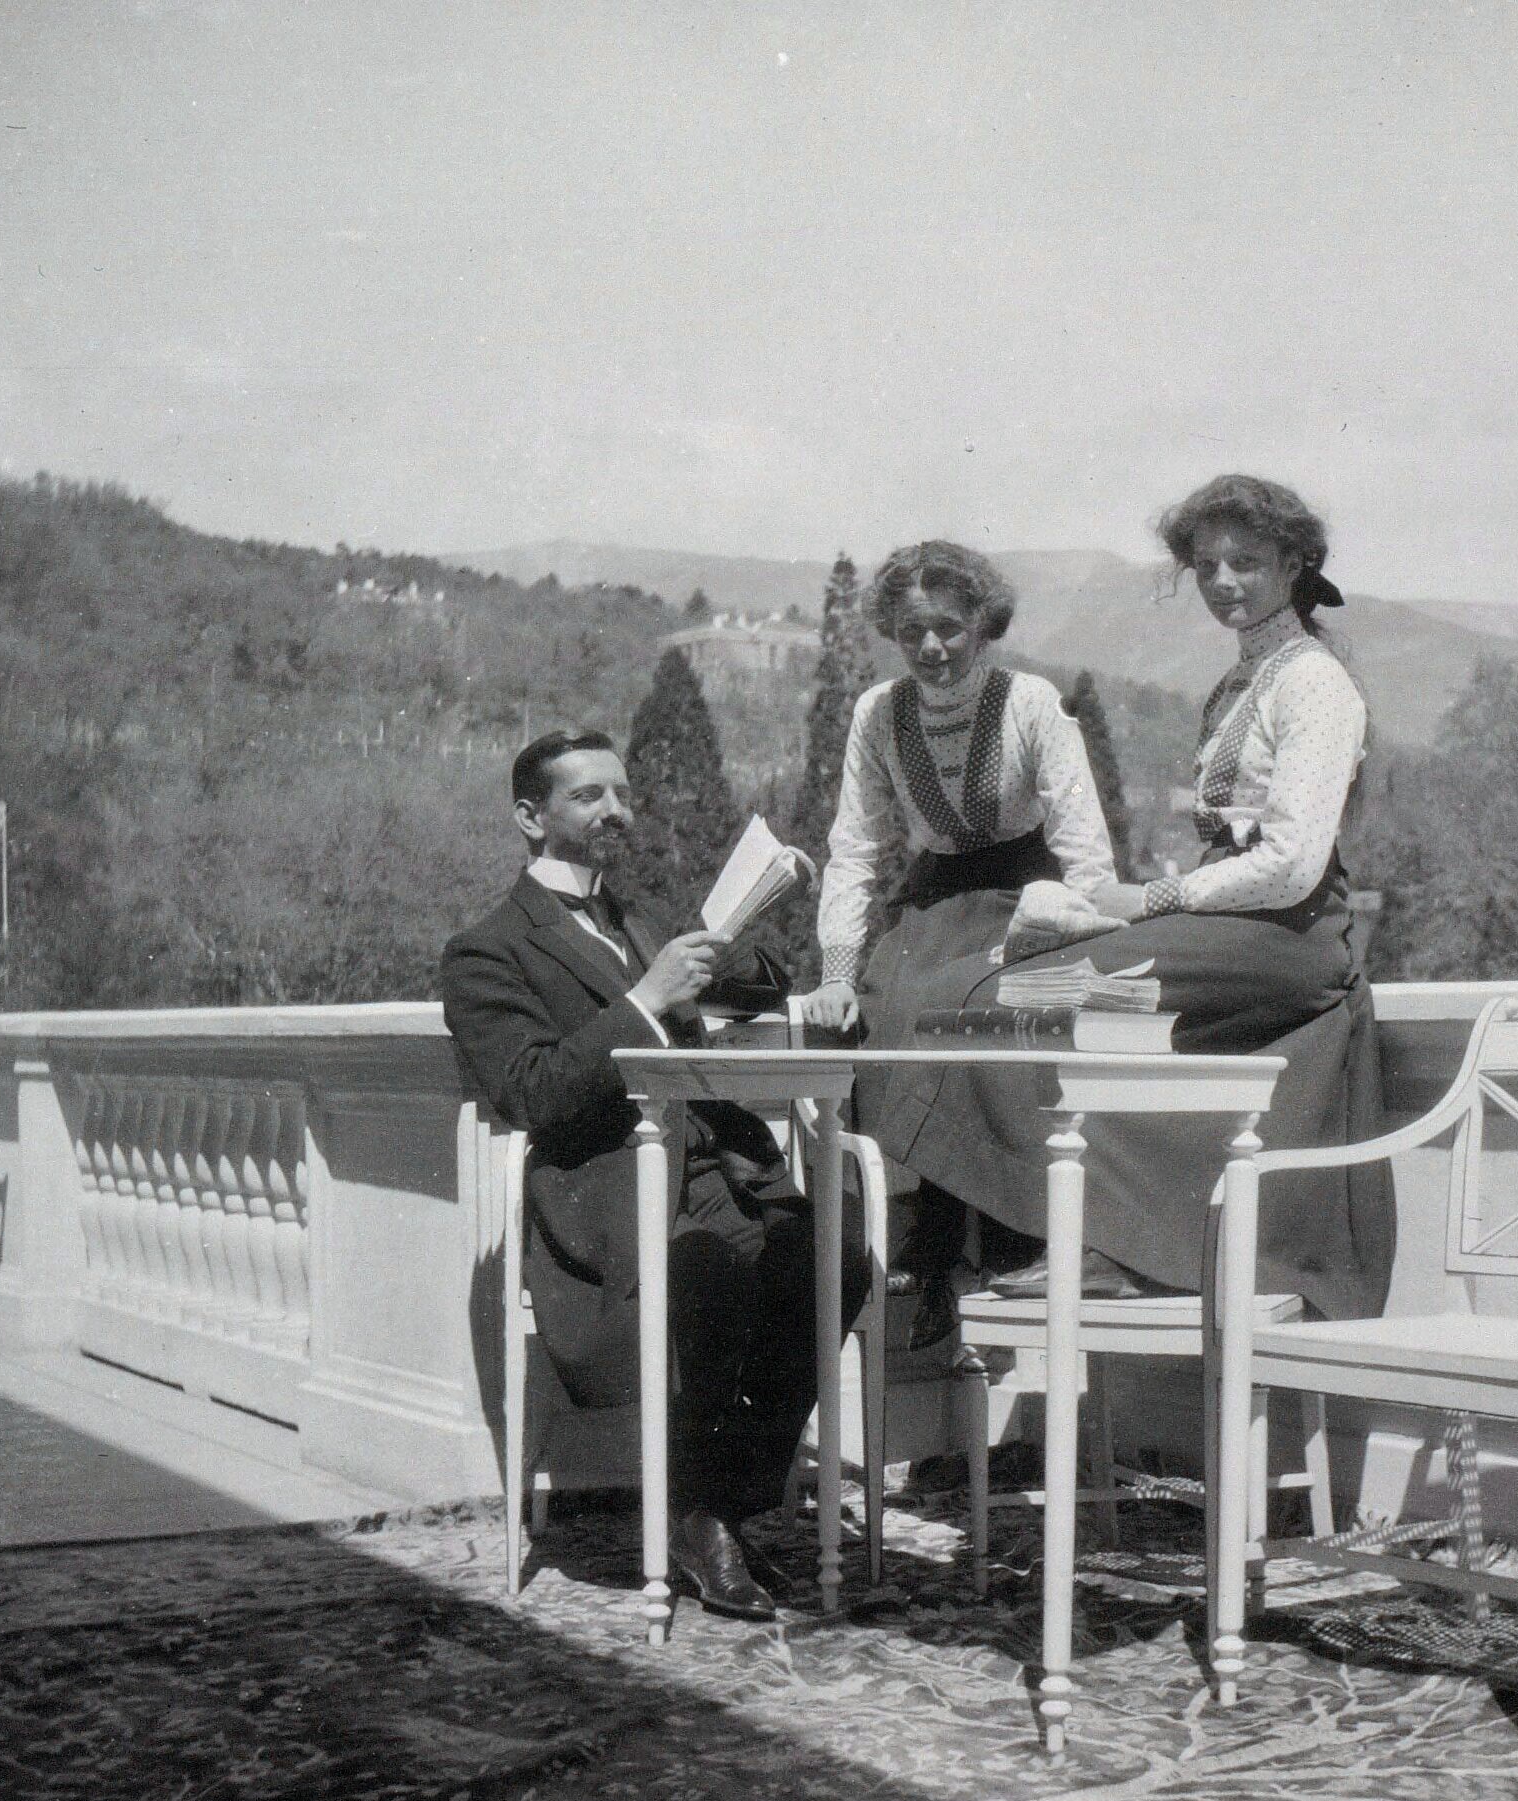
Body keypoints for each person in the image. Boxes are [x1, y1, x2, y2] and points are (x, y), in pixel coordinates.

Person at [877, 476, 1396, 1321]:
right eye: (1207, 565)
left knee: (1017, 998)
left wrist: (1148, 899)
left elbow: (1292, 866)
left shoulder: (1314, 684)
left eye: (1248, 562)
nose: (1224, 582)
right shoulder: (1240, 683)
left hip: (1286, 938)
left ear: (1297, 563)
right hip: (1224, 929)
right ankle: (1049, 1238)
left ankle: (1104, 1244)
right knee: (967, 996)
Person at [441, 730, 861, 1622]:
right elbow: (530, 1090)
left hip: (718, 1160)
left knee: (834, 1261)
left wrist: (748, 960)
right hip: (605, 1183)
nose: (616, 812)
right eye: (590, 796)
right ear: (530, 817)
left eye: (623, 795)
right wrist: (644, 1001)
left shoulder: (639, 916)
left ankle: (715, 1503)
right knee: (716, 1263)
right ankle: (702, 1518)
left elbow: (753, 982)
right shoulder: (487, 951)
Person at [803, 541, 1118, 1346]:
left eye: (949, 627)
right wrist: (838, 968)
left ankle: (1004, 1237)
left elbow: (1084, 841)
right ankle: (924, 1243)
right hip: (934, 894)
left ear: (984, 624)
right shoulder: (878, 713)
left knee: (970, 1012)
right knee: (886, 1005)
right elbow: (857, 848)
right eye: (913, 633)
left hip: (1025, 891)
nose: (933, 648)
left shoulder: (1031, 703)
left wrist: (1088, 924)